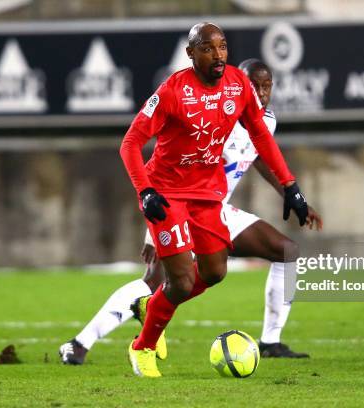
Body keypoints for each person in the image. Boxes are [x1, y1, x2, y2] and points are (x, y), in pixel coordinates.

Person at [59, 59, 323, 366]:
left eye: (267, 86)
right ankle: (80, 343)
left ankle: (270, 341)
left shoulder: (266, 120)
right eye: (254, 86)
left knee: (286, 250)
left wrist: (290, 192)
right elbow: (165, 161)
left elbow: (259, 155)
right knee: (154, 282)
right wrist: (153, 226)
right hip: (180, 204)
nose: (261, 93)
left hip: (215, 209)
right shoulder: (212, 116)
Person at [112, 22, 308, 378]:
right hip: (167, 194)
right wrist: (146, 191)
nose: (217, 55)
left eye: (222, 47)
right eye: (207, 48)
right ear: (191, 53)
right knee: (183, 281)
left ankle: (151, 304)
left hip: (206, 194)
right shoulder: (172, 91)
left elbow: (260, 136)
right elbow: (129, 144)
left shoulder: (237, 84)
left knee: (215, 272)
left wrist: (290, 186)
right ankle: (143, 346)